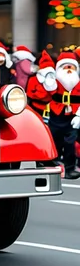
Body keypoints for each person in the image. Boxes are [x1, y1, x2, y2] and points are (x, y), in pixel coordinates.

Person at [48, 51, 80, 179]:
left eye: (71, 67)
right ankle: (51, 165)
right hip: (57, 113)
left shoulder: (78, 82)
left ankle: (69, 168)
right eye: (65, 67)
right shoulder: (54, 80)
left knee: (70, 142)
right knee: (53, 139)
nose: (68, 70)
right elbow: (47, 91)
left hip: (73, 116)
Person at [26, 50, 56, 120]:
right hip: (35, 107)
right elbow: (29, 94)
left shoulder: (55, 80)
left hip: (51, 109)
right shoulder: (33, 79)